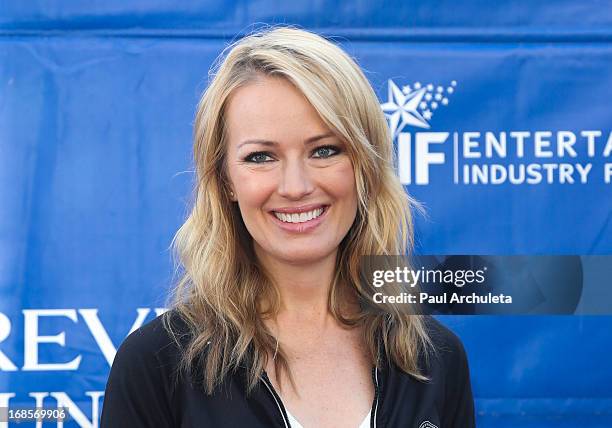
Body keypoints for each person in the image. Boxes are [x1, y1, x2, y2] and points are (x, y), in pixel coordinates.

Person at [100, 26, 475, 428]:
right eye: (261, 157)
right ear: (225, 180)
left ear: (365, 167)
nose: (296, 187)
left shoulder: (435, 355)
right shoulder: (156, 364)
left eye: (325, 151)